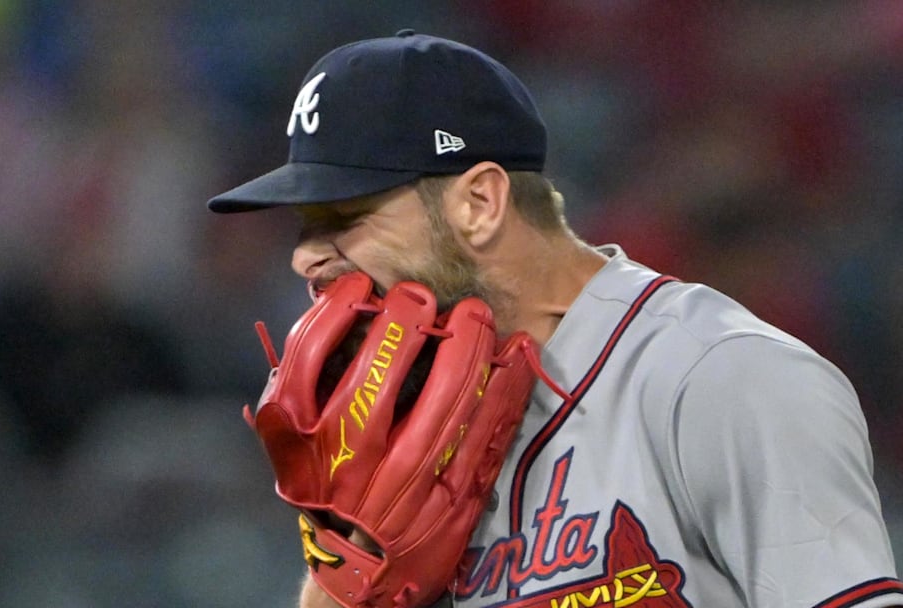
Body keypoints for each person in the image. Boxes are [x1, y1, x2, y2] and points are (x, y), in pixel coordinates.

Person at [206, 30, 903, 607]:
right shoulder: (401, 427)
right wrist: (344, 571)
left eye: (345, 217)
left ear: (479, 203)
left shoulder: (722, 378)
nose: (304, 259)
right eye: (304, 225)